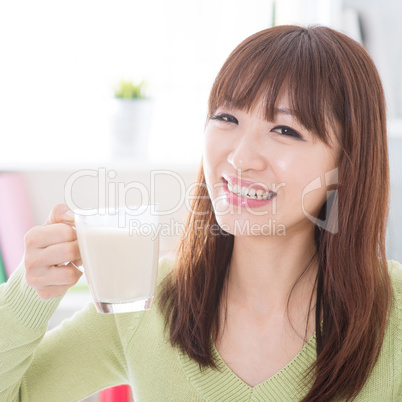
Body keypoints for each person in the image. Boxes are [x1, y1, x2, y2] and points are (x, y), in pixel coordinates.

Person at [0, 25, 401, 402]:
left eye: (285, 130)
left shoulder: (394, 312)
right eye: (227, 118)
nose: (241, 157)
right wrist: (30, 295)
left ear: (347, 165)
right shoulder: (147, 300)